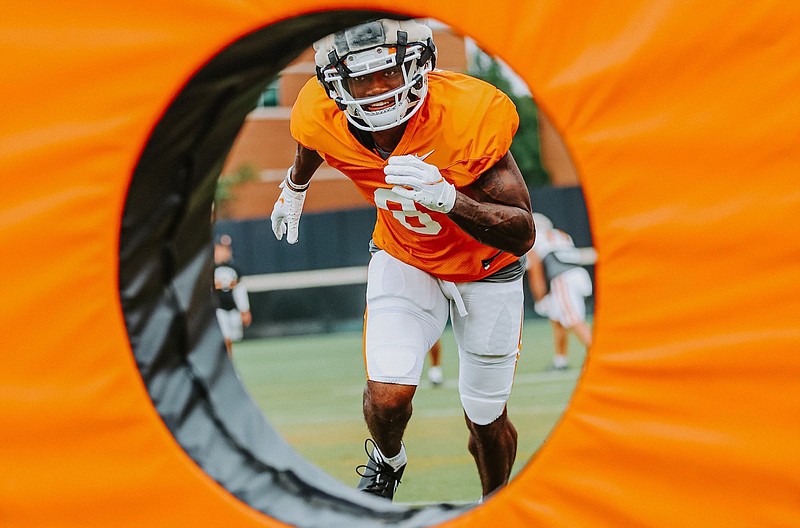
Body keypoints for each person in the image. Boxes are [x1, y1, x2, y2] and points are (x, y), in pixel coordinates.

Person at [269, 18, 535, 501]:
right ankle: (389, 460)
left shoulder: (466, 114)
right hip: (403, 254)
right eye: (360, 79)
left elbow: (522, 232)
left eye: (388, 74)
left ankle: (494, 503)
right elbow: (312, 141)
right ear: (335, 86)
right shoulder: (319, 113)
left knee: (486, 418)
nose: (377, 92)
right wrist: (295, 184)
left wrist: (450, 200)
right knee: (388, 395)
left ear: (418, 69)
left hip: (488, 269)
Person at [526, 213, 593, 370]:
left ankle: (598, 355)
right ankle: (560, 360)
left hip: (563, 278)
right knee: (557, 319)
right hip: (578, 274)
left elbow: (535, 269)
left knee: (573, 320)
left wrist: (540, 296)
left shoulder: (534, 240)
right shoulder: (562, 235)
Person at [213, 235, 252, 356]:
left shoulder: (234, 269)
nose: (226, 252)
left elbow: (239, 291)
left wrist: (244, 310)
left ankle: (229, 361)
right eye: (222, 248)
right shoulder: (208, 268)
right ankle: (226, 363)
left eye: (227, 249)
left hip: (232, 309)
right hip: (217, 309)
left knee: (235, 337)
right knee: (225, 338)